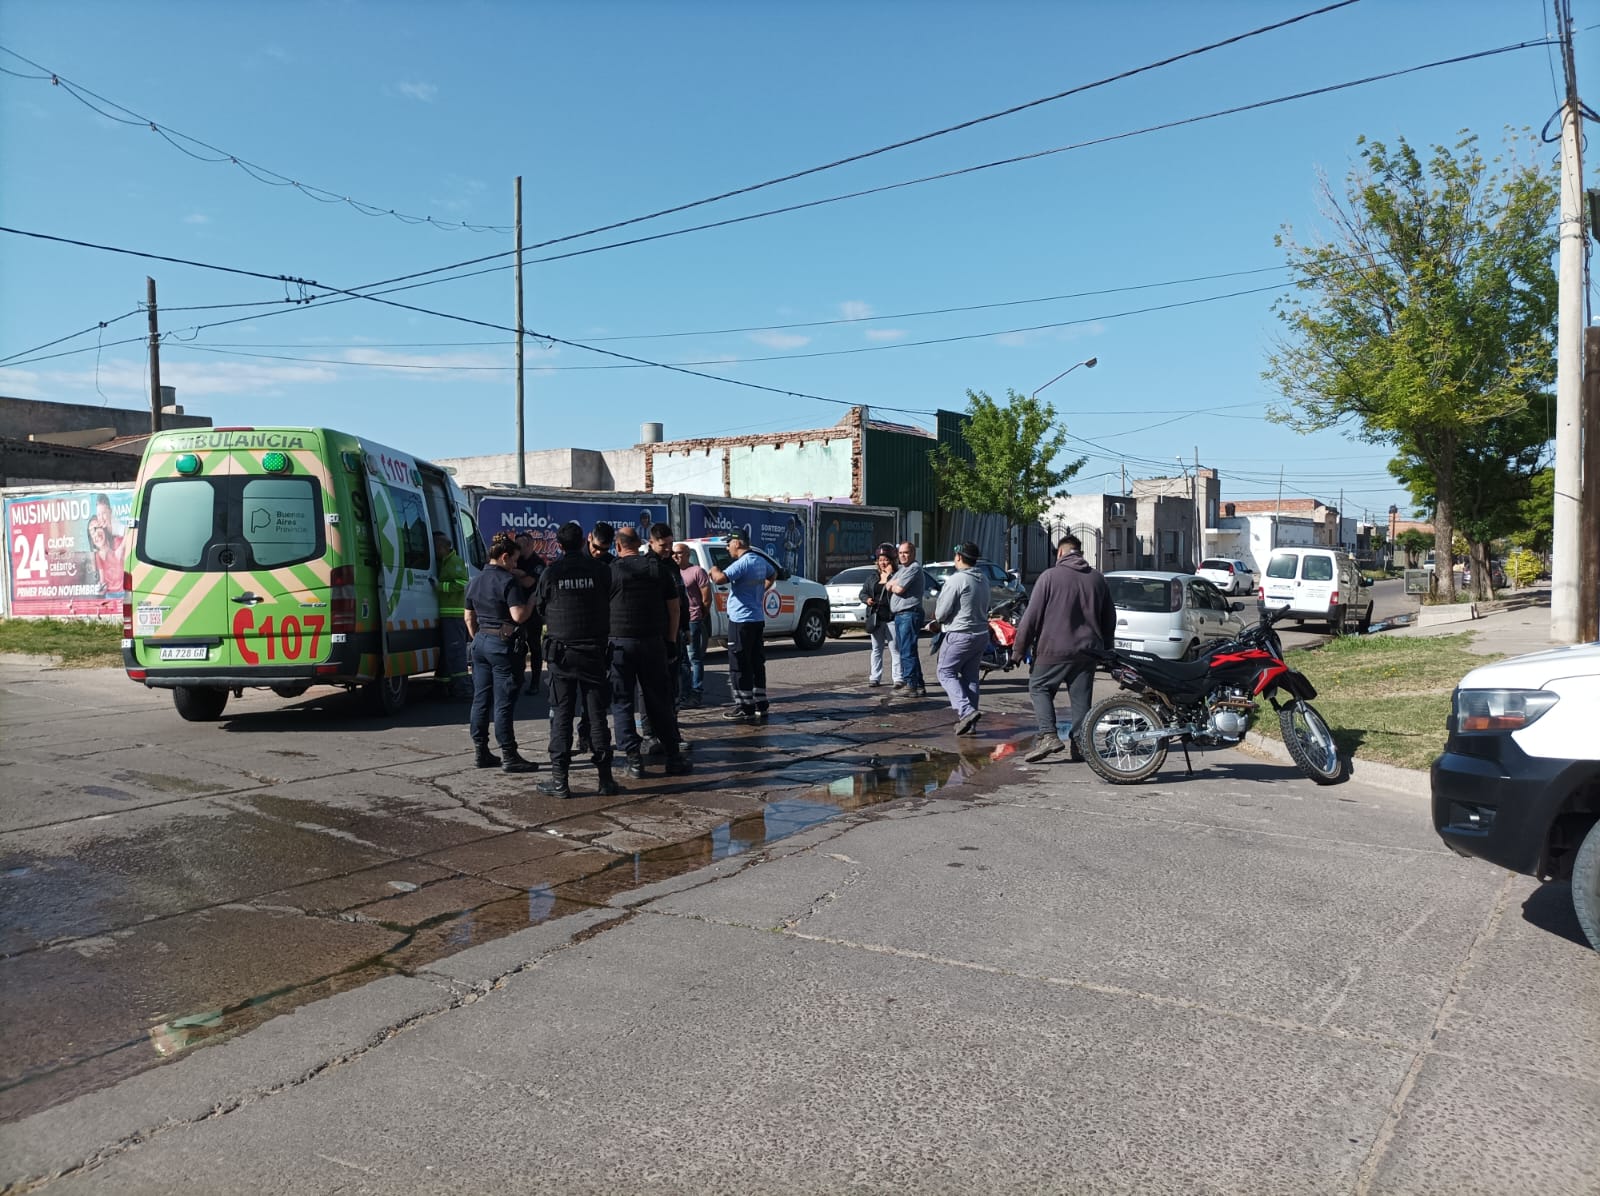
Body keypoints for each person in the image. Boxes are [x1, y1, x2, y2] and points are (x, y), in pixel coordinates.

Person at [1013, 533, 1117, 763]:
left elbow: (1031, 617)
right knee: (1081, 699)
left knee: (1039, 687)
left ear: (1060, 552)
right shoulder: (1097, 579)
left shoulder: (1049, 577)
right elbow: (1110, 618)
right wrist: (1107, 650)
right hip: (1088, 652)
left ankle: (1049, 735)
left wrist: (1018, 650)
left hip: (1053, 649)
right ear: (1080, 553)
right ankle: (1080, 745)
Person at [533, 521, 618, 799]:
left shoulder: (551, 572)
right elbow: (609, 599)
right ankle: (605, 780)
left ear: (559, 545)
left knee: (562, 715)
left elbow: (541, 607)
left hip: (562, 655)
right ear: (584, 541)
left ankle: (560, 782)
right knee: (597, 716)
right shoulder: (600, 570)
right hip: (593, 652)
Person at [607, 526, 691, 778]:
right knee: (660, 701)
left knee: (622, 703)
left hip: (620, 645)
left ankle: (634, 760)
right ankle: (673, 757)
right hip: (653, 643)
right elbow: (674, 609)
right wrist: (671, 641)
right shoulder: (658, 570)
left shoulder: (610, 571)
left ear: (618, 546)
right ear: (640, 543)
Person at [463, 534, 538, 774]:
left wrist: (479, 638)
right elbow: (518, 616)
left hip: (480, 642)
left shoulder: (474, 581)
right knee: (503, 702)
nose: (516, 565)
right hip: (502, 644)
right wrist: (532, 602)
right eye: (514, 560)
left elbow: (469, 617)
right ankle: (509, 754)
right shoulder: (508, 581)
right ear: (504, 557)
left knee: (481, 699)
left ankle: (480, 751)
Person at [710, 530, 774, 724]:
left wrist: (713, 570)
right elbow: (773, 574)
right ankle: (761, 703)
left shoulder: (742, 562)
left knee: (739, 664)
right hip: (756, 618)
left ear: (737, 543)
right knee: (756, 662)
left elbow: (720, 579)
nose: (727, 547)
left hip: (741, 621)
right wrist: (760, 591)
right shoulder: (760, 560)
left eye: (729, 543)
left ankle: (744, 707)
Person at [930, 541, 992, 735]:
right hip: (981, 634)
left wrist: (937, 620)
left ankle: (966, 712)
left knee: (945, 672)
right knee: (970, 677)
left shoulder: (957, 580)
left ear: (958, 557)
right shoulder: (983, 578)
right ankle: (970, 724)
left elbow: (941, 613)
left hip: (960, 634)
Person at [575, 520, 616, 755]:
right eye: (597, 547)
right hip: (577, 635)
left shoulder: (610, 564)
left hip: (602, 635)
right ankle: (582, 734)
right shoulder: (575, 561)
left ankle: (590, 733)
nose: (599, 552)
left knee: (597, 693)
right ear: (589, 538)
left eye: (604, 549)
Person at [884, 540, 928, 698]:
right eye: (900, 553)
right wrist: (892, 583)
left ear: (913, 553)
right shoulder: (903, 569)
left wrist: (894, 584)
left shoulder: (914, 568)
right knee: (908, 651)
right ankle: (919, 685)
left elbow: (899, 589)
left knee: (907, 651)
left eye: (906, 552)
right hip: (901, 615)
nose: (903, 556)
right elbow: (888, 584)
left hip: (909, 613)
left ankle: (910, 685)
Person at [432, 530, 471, 700]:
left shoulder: (455, 562)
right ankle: (443, 686)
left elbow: (463, 583)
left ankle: (463, 689)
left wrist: (440, 586)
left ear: (442, 547)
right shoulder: (445, 562)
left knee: (455, 652)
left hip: (454, 614)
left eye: (435, 548)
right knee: (447, 652)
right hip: (446, 614)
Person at [673, 541, 712, 707]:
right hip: (677, 620)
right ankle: (684, 693)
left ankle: (696, 693)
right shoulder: (672, 571)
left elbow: (706, 597)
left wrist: (701, 615)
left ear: (688, 555)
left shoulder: (697, 571)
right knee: (682, 660)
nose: (675, 555)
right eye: (674, 553)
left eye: (679, 552)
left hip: (693, 619)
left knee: (693, 657)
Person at [860, 543, 901, 688]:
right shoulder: (872, 577)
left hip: (892, 617)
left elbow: (900, 590)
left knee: (895, 649)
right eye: (880, 560)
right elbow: (863, 593)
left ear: (892, 561)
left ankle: (898, 678)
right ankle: (875, 677)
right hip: (876, 618)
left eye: (886, 560)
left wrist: (891, 576)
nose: (883, 563)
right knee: (876, 649)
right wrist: (867, 599)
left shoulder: (897, 576)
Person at [511, 532, 546, 697]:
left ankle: (535, 683)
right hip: (516, 608)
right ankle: (518, 680)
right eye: (517, 544)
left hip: (533, 611)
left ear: (531, 545)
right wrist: (518, 573)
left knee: (535, 647)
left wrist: (514, 573)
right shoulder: (515, 560)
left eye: (522, 545)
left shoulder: (537, 563)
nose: (519, 548)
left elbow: (528, 583)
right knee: (517, 647)